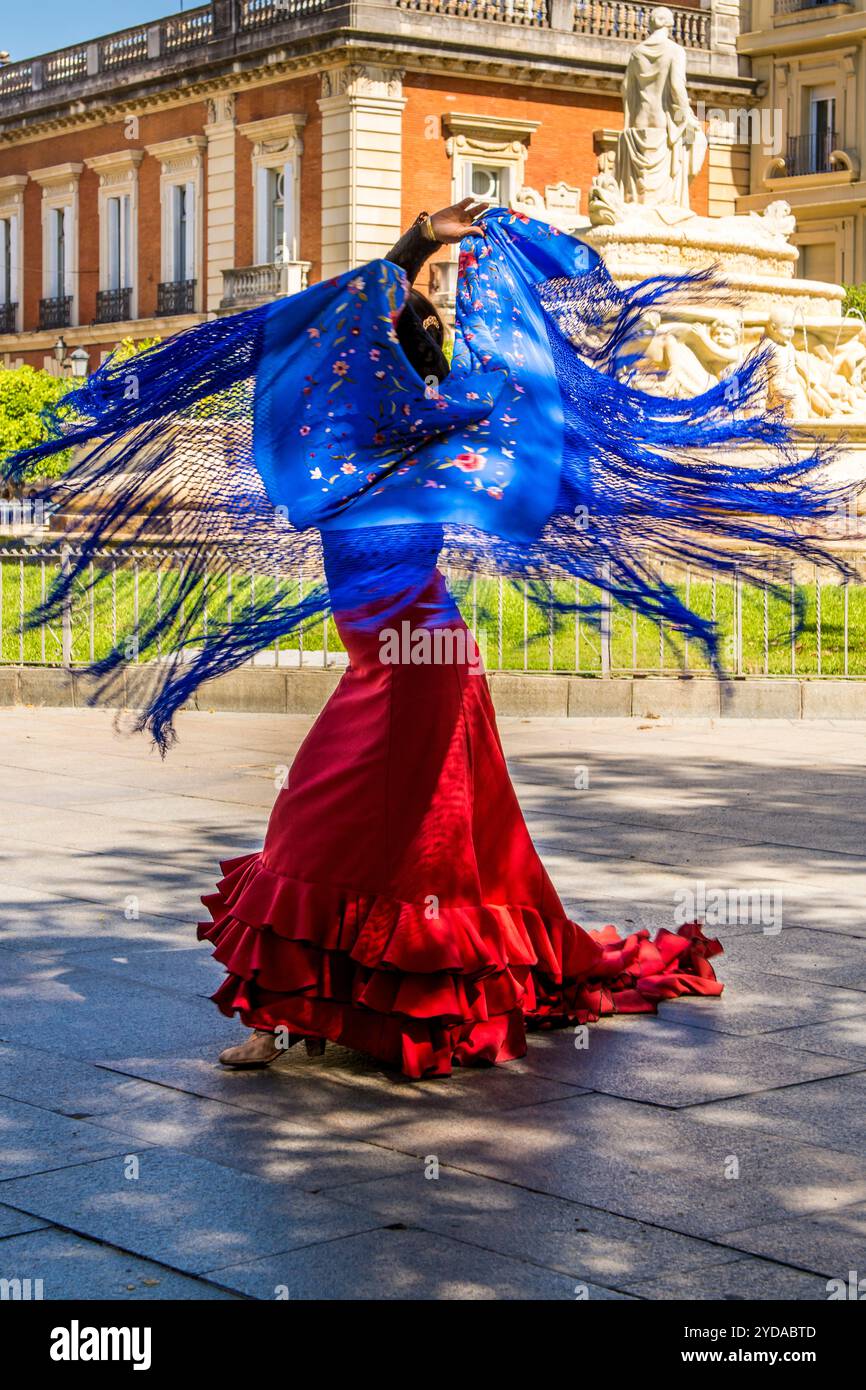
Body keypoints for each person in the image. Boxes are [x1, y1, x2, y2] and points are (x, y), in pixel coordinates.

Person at [4, 201, 851, 1077]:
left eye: (366, 349)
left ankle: (369, 1010)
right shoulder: (345, 439)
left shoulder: (441, 433)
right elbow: (341, 311)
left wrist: (465, 273)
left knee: (373, 838)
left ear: (376, 363)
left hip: (426, 665)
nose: (346, 359)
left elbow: (498, 376)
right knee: (365, 833)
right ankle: (300, 1013)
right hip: (392, 664)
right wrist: (420, 241)